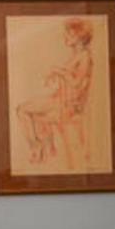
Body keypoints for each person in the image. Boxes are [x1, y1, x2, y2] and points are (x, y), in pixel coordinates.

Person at [16, 17, 94, 167]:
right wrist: (57, 78)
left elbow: (77, 84)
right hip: (61, 101)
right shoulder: (78, 55)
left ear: (80, 38)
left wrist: (58, 71)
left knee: (22, 110)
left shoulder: (84, 57)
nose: (65, 37)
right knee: (30, 114)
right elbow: (70, 84)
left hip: (69, 107)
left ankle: (37, 146)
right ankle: (47, 150)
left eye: (70, 35)